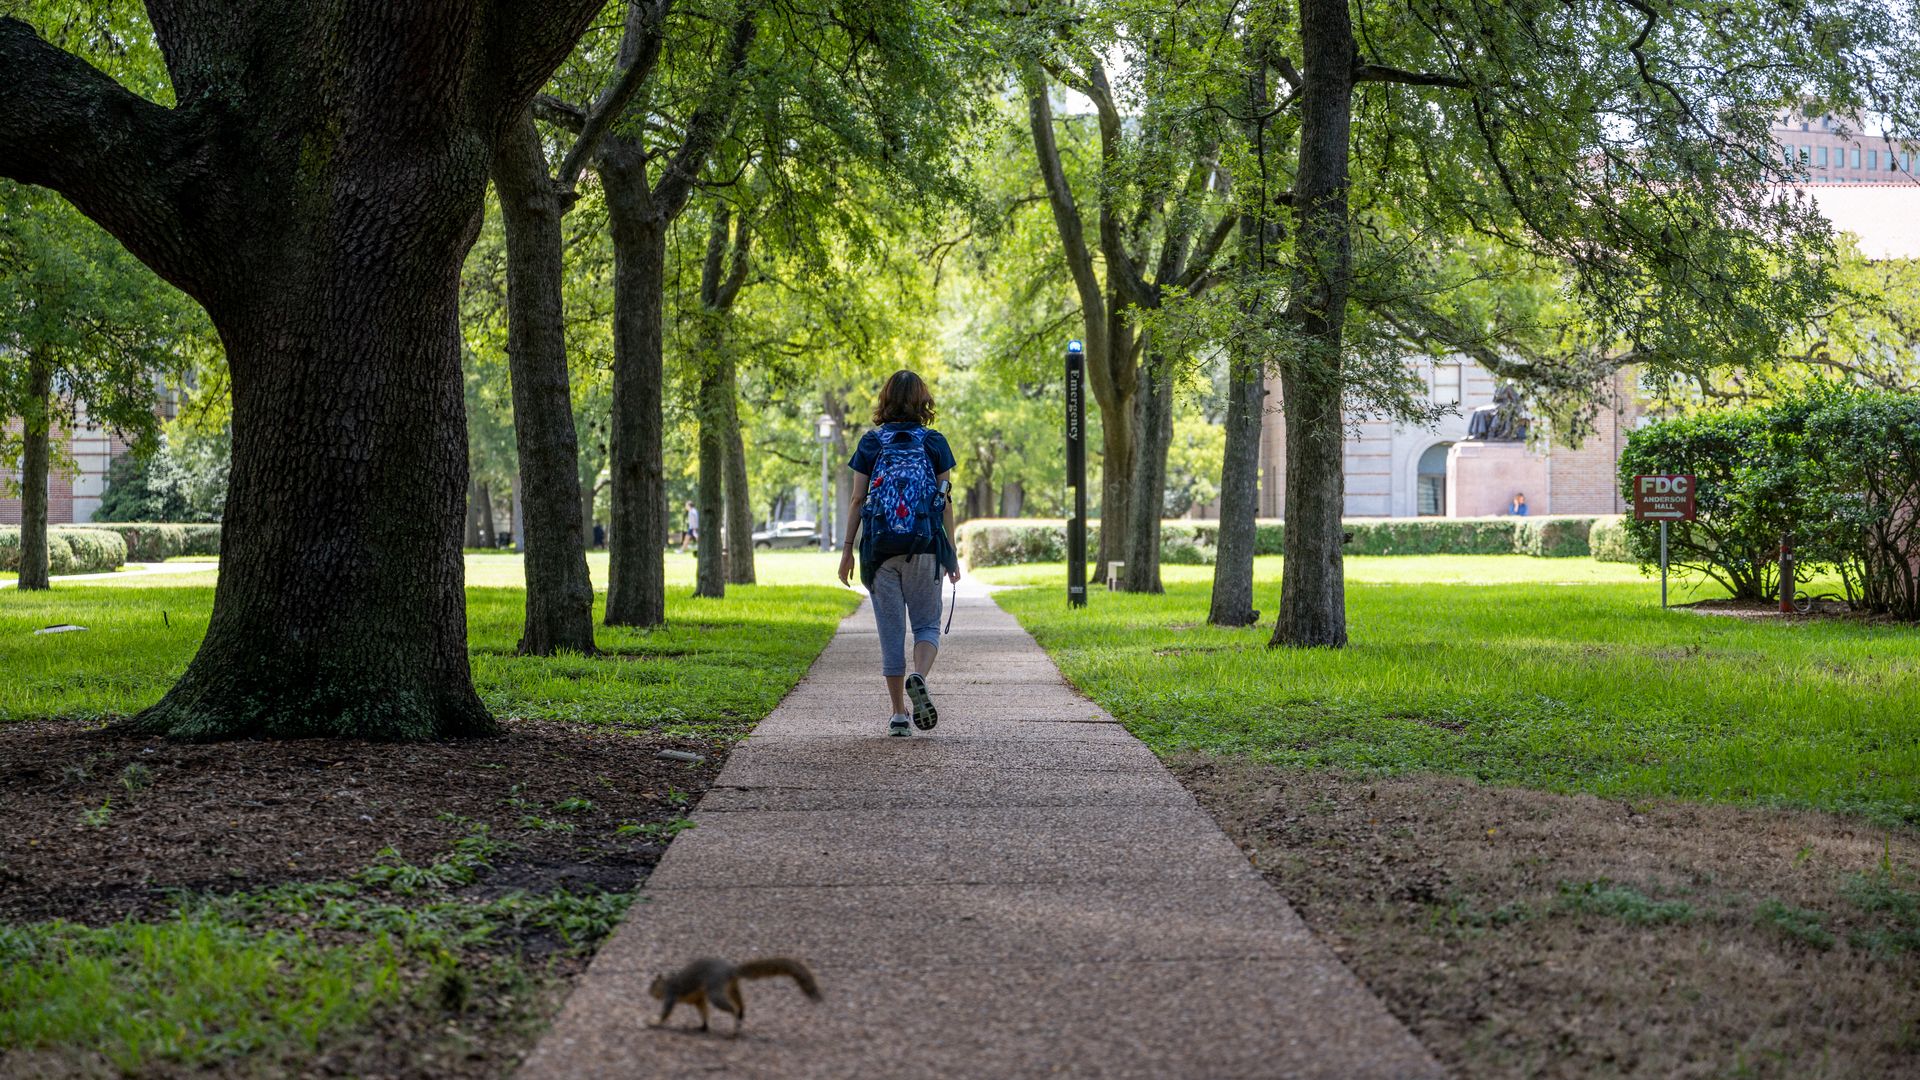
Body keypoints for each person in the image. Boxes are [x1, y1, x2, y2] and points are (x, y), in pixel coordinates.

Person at [837, 369, 962, 737]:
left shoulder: (871, 442)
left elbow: (858, 499)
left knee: (891, 634)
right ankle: (918, 676)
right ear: (923, 401)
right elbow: (945, 503)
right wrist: (951, 554)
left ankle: (897, 716)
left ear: (885, 400)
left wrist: (847, 551)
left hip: (880, 551)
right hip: (924, 547)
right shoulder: (934, 442)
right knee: (926, 625)